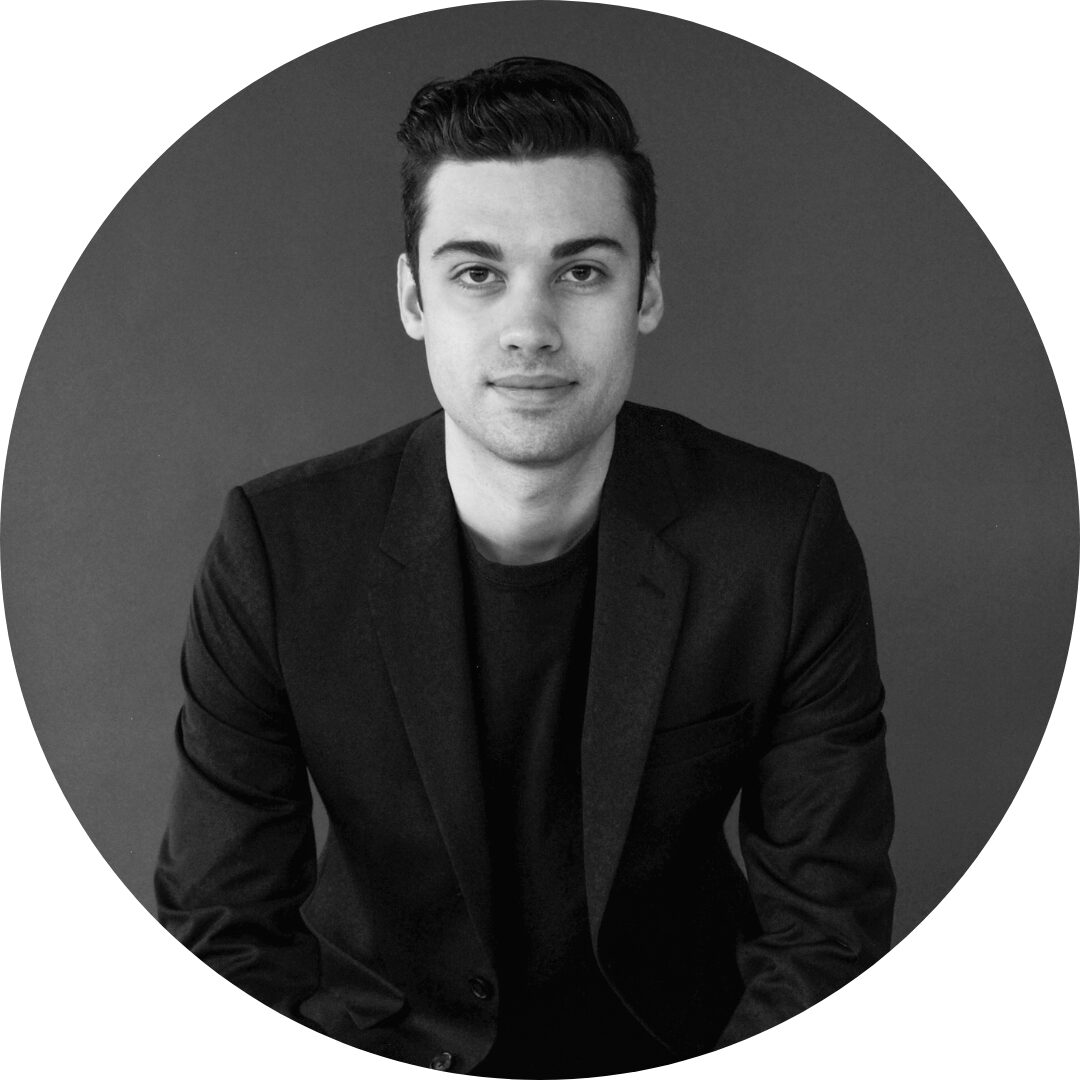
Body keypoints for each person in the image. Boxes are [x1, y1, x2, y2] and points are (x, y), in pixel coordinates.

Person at [155, 57, 895, 1078]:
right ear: (413, 297)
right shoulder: (277, 552)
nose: (530, 330)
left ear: (647, 291)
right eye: (477, 273)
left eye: (582, 272)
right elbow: (219, 932)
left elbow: (827, 928)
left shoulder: (780, 541)